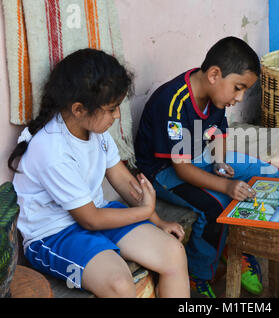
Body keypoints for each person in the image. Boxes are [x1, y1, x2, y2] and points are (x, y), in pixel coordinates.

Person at [8, 48, 189, 298]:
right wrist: (145, 212)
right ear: (79, 109)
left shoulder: (95, 130)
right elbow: (90, 219)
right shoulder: (51, 149)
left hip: (97, 212)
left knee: (173, 253)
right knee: (119, 284)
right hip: (52, 236)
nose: (117, 116)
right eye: (112, 108)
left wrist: (157, 220)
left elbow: (120, 177)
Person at [134, 36, 279, 297]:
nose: (240, 97)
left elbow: (219, 135)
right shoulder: (174, 101)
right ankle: (197, 275)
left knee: (272, 174)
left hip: (199, 157)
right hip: (163, 172)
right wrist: (227, 184)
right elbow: (182, 169)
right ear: (214, 74)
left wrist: (220, 161)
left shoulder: (215, 97)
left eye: (244, 90)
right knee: (216, 205)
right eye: (238, 88)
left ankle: (236, 246)